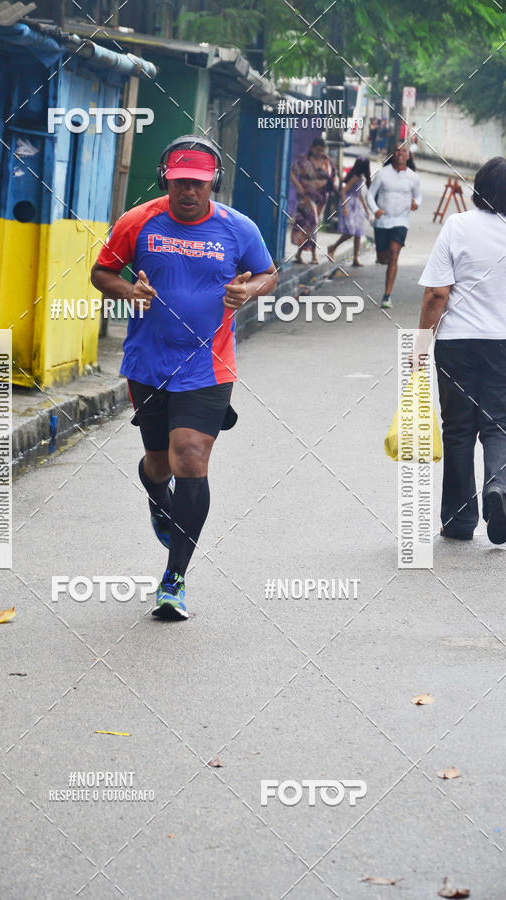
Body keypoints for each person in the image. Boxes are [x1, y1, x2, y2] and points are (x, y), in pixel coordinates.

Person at [90, 135, 278, 619]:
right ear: (164, 180)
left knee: (190, 456)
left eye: (197, 183)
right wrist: (129, 290)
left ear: (213, 181)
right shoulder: (137, 222)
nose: (188, 192)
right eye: (179, 183)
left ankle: (174, 580)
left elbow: (267, 273)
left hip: (208, 365)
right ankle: (157, 494)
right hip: (149, 363)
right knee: (159, 463)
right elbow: (101, 272)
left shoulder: (238, 228)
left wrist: (247, 292)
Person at [417, 156, 506, 544]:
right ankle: (498, 488)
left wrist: (421, 342)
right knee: (498, 425)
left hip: (456, 343)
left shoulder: (457, 226)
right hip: (502, 343)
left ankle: (458, 521)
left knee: (458, 430)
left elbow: (437, 293)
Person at [366, 142, 422, 308]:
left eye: (403, 151)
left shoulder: (413, 177)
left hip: (401, 221)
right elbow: (370, 194)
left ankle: (387, 296)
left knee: (394, 253)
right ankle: (384, 259)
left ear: (408, 155)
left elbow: (418, 197)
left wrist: (415, 204)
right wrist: (375, 210)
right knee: (384, 257)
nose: (400, 153)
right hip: (383, 221)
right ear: (393, 153)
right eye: (397, 150)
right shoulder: (383, 174)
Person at [290, 137, 338, 265]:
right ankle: (314, 254)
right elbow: (293, 173)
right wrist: (299, 187)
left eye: (322, 150)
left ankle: (299, 254)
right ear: (312, 148)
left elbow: (334, 176)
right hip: (306, 196)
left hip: (321, 198)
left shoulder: (327, 161)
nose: (320, 153)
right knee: (313, 222)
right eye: (317, 150)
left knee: (308, 225)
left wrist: (335, 186)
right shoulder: (304, 159)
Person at [326, 156, 371, 266]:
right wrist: (345, 206)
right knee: (350, 232)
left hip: (357, 205)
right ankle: (333, 247)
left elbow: (359, 194)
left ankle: (355, 258)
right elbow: (343, 191)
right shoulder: (355, 177)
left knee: (357, 233)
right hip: (349, 204)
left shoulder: (360, 177)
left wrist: (365, 208)